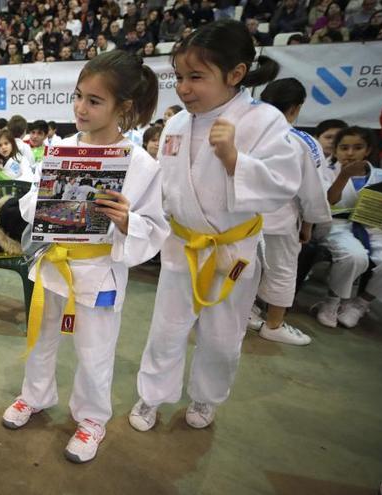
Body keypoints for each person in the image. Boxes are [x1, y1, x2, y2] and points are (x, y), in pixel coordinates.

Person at [129, 20, 301, 432]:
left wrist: (234, 159)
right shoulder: (175, 125)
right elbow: (165, 187)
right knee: (166, 329)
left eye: (196, 77)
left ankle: (206, 398)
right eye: (179, 78)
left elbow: (283, 184)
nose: (184, 88)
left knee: (222, 335)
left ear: (236, 74)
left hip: (232, 251)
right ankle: (151, 395)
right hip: (182, 245)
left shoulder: (264, 121)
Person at [2, 50, 168, 464]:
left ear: (122, 108)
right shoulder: (59, 149)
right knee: (42, 338)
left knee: (96, 349)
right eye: (78, 96)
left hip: (100, 268)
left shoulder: (142, 165)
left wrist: (130, 220)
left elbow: (156, 227)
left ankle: (92, 418)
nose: (80, 107)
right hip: (55, 260)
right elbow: (27, 209)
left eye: (94, 101)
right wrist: (42, 200)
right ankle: (34, 396)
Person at [249, 78, 332, 345]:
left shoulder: (248, 134)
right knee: (282, 269)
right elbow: (312, 190)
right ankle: (273, 324)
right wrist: (310, 223)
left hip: (243, 218)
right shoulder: (303, 141)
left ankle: (244, 311)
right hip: (280, 219)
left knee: (245, 266)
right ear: (295, 109)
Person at [315, 126, 382, 328]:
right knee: (354, 256)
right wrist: (343, 176)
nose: (350, 153)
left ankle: (360, 304)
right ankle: (332, 301)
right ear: (336, 150)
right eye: (344, 148)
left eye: (357, 147)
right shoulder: (325, 172)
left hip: (371, 226)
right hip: (337, 226)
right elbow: (328, 201)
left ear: (367, 150)